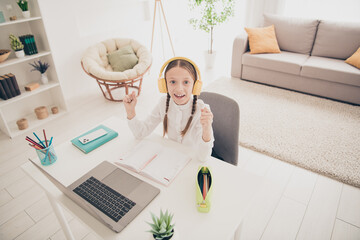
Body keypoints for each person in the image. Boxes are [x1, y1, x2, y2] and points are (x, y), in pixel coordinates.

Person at [123, 57, 214, 161]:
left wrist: (206, 129)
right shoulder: (163, 103)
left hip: (192, 161)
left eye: (186, 82)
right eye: (173, 82)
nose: (179, 88)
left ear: (195, 85)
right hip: (171, 158)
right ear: (164, 85)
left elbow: (203, 157)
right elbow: (140, 133)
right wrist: (130, 112)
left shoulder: (202, 110)